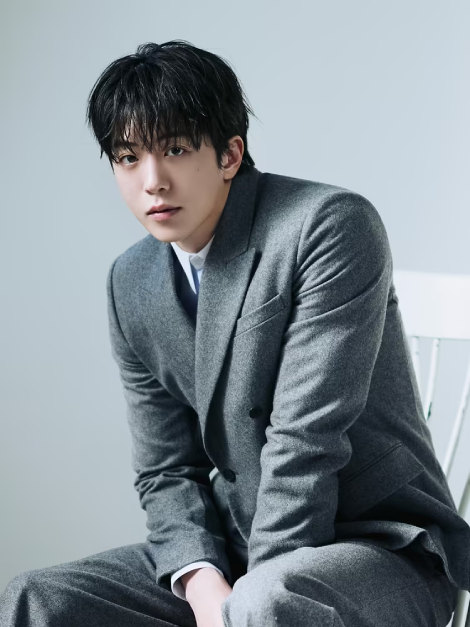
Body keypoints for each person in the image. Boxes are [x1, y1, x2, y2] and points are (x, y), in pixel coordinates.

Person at [1, 39, 469, 627]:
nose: (152, 181)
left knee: (265, 601)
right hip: (234, 547)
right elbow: (166, 469)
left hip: (378, 545)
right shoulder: (131, 281)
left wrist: (244, 603)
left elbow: (306, 441)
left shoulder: (329, 226)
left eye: (175, 149)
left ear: (229, 154)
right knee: (38, 598)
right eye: (127, 157)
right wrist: (202, 582)